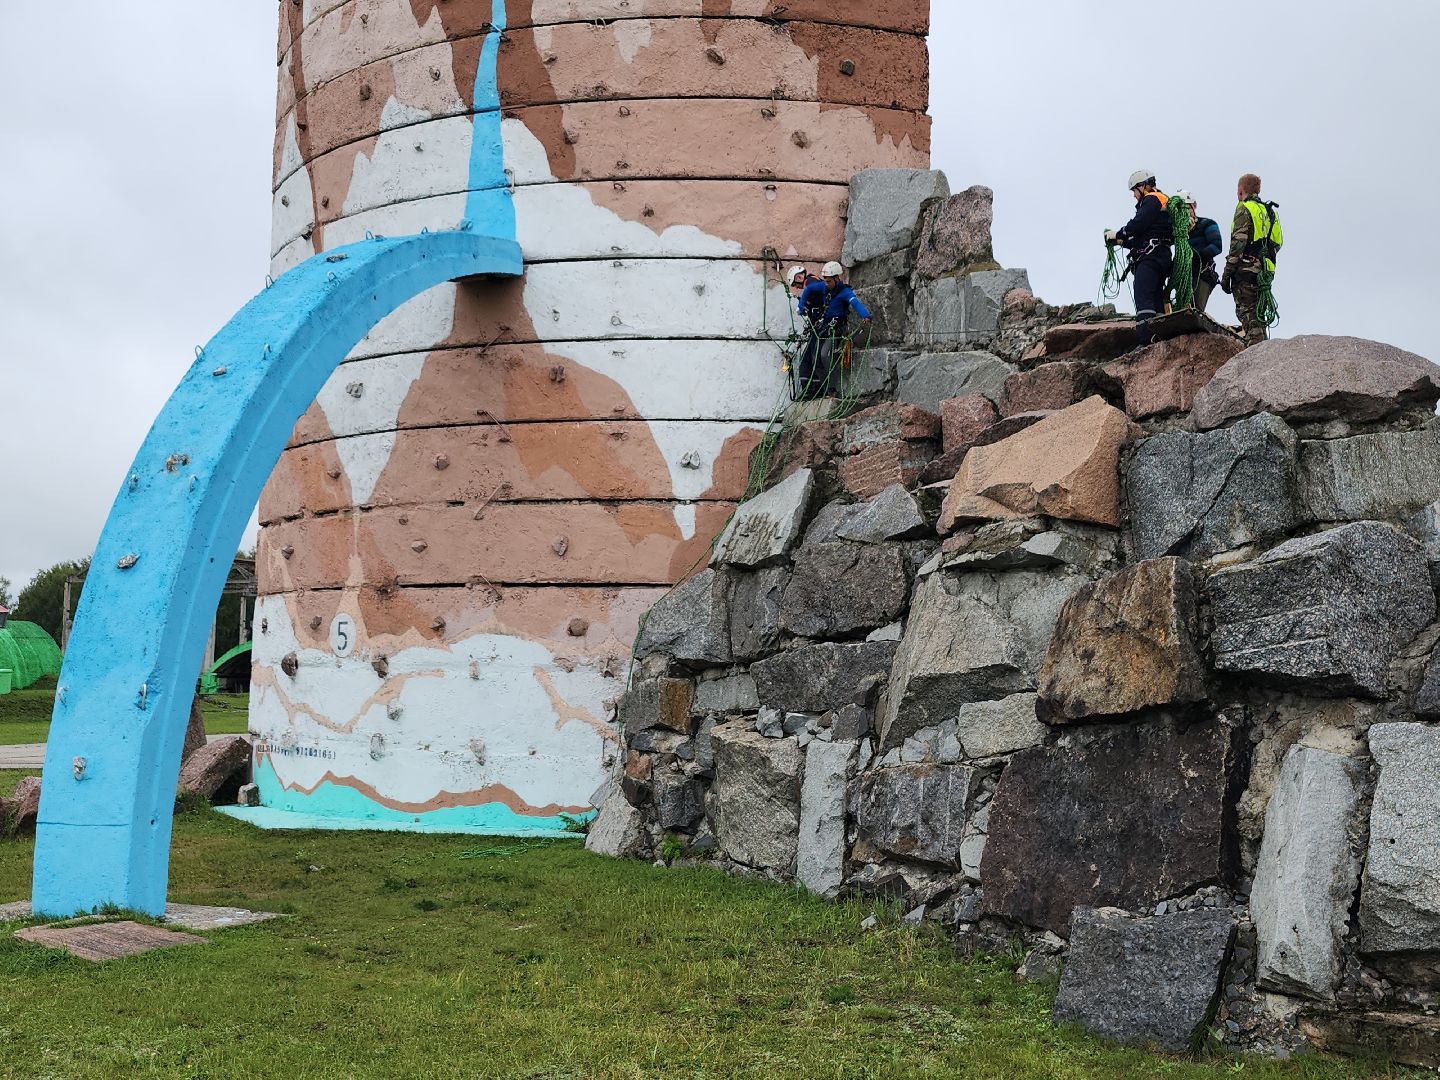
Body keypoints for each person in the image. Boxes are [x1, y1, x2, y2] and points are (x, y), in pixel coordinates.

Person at [1105, 170, 1173, 344]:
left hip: (1151, 258)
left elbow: (1139, 223)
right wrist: (1122, 241)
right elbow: (1144, 234)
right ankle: (1161, 335)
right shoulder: (1163, 202)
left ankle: (1147, 339)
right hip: (1160, 255)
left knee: (1143, 296)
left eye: (1134, 191)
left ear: (1142, 186)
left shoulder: (1151, 199)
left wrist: (1120, 233)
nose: (1134, 196)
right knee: (1156, 297)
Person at [794, 261, 871, 399]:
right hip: (824, 326)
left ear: (837, 278)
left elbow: (855, 303)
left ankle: (832, 388)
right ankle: (825, 388)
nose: (826, 283)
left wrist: (865, 315)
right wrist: (801, 306)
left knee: (824, 354)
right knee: (815, 357)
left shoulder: (845, 292)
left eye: (829, 281)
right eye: (825, 281)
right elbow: (809, 290)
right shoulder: (824, 287)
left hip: (837, 328)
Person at [1221, 173, 1283, 343]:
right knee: (1259, 314)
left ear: (1241, 190)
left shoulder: (1244, 208)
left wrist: (1227, 274)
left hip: (1246, 271)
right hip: (1265, 272)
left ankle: (1256, 356)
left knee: (1248, 313)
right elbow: (1277, 243)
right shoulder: (1270, 212)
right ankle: (1264, 350)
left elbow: (1237, 245)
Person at [1174, 190, 1223, 313]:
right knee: (1181, 310)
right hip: (1184, 276)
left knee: (1195, 311)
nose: (1184, 212)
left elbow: (1217, 246)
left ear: (1193, 206)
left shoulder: (1207, 224)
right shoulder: (1179, 233)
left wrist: (1195, 256)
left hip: (1203, 273)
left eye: (1186, 207)